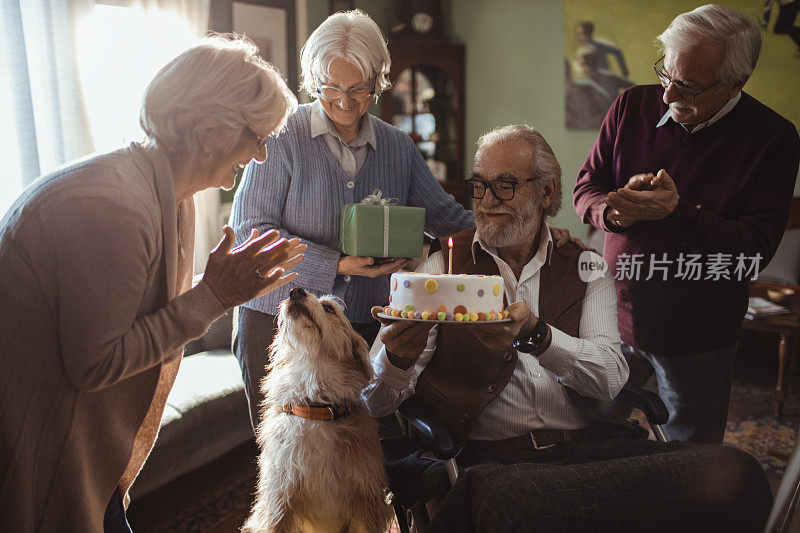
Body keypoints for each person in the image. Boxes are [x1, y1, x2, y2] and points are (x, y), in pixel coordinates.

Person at [363, 125, 772, 531]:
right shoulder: (440, 272)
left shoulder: (587, 267)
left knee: (737, 472)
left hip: (589, 456)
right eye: (479, 185)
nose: (486, 201)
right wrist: (395, 359)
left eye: (505, 185)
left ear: (545, 192)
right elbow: (374, 404)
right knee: (509, 502)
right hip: (491, 464)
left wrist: (539, 338)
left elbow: (611, 379)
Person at [0, 36, 306, 532]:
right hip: (38, 445)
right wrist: (214, 297)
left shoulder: (167, 193)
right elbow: (95, 363)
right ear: (209, 132)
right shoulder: (112, 206)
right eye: (259, 137)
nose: (263, 156)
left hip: (81, 451)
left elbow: (138, 314)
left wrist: (221, 289)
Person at [229, 9, 474, 429]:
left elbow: (450, 219)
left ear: (378, 80)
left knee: (358, 447)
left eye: (358, 89)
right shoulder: (282, 135)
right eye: (330, 87)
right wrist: (336, 264)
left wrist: (526, 232)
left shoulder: (398, 148)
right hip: (275, 320)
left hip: (359, 324)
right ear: (312, 79)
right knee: (287, 451)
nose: (344, 101)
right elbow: (251, 234)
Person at [573, 5, 800, 443]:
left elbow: (752, 250)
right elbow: (588, 185)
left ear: (738, 83)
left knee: (689, 458)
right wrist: (611, 213)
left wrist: (677, 214)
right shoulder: (631, 105)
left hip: (698, 332)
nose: (668, 96)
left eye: (689, 86)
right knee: (595, 440)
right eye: (666, 74)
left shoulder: (774, 139)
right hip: (611, 314)